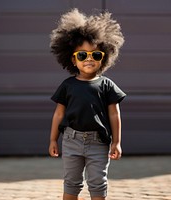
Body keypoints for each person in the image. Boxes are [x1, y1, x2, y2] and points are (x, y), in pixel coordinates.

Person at [49, 8, 126, 200]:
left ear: (104, 57)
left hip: (98, 142)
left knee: (98, 183)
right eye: (82, 55)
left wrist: (116, 142)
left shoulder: (107, 85)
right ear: (73, 60)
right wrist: (53, 139)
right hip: (71, 141)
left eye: (95, 55)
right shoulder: (68, 85)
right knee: (71, 183)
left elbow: (114, 114)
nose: (89, 59)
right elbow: (58, 114)